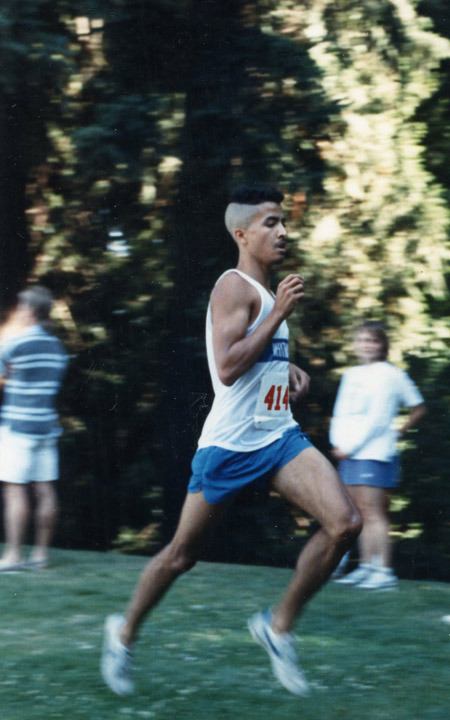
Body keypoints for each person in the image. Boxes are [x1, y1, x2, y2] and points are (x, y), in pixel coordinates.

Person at [101, 184, 362, 697]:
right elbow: (226, 366)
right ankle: (124, 633)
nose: (283, 231)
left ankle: (277, 625)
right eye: (270, 223)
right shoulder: (233, 286)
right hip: (230, 446)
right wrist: (279, 315)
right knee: (181, 555)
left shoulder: (265, 295)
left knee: (346, 524)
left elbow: (253, 361)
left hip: (277, 436)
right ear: (242, 233)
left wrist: (287, 370)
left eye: (283, 221)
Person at [330, 320, 426, 590]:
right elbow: (341, 413)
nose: (366, 345)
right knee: (357, 513)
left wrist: (399, 431)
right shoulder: (352, 374)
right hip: (349, 452)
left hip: (375, 453)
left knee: (373, 513)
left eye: (372, 340)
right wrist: (340, 444)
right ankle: (366, 567)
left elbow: (411, 409)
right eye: (361, 340)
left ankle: (383, 572)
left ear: (382, 345)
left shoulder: (391, 375)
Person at [0, 286, 68, 572]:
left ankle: (14, 555)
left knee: (15, 491)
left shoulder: (15, 344)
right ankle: (40, 556)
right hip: (46, 427)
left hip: (18, 426)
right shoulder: (57, 348)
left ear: (29, 311)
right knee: (45, 490)